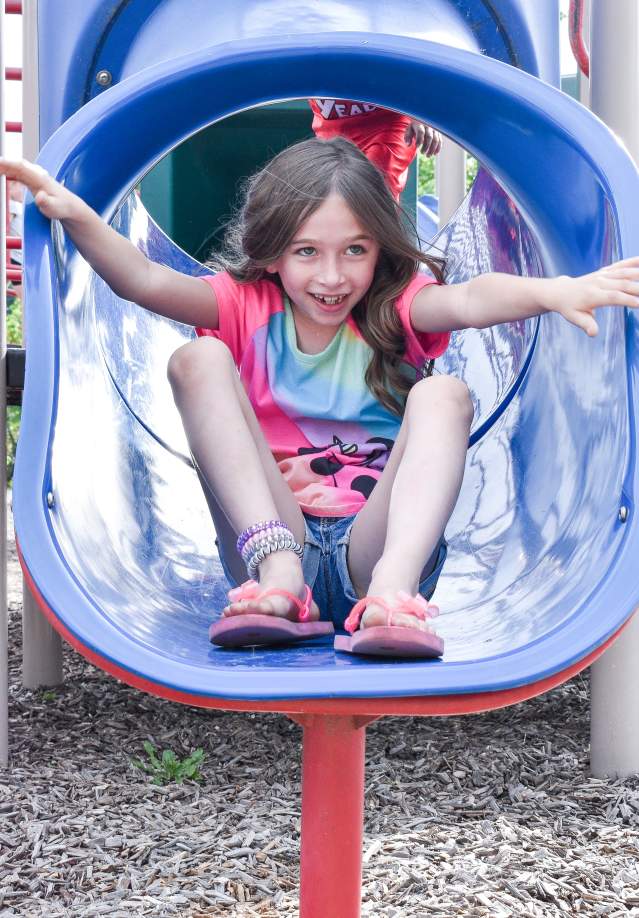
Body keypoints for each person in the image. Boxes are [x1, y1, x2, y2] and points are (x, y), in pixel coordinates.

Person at [2, 140, 638, 659]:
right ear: (273, 252)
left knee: (444, 392)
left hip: (378, 548)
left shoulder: (396, 308)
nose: (332, 278)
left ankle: (394, 597)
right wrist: (79, 216)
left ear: (380, 250)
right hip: (274, 538)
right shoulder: (239, 305)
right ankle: (279, 579)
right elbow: (142, 280)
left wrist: (556, 290)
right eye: (307, 252)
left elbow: (471, 300)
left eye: (354, 251)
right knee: (198, 358)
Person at [309, 99, 442, 199]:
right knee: (329, 190)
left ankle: (379, 234)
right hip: (332, 122)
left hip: (387, 120)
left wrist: (421, 109)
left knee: (376, 184)